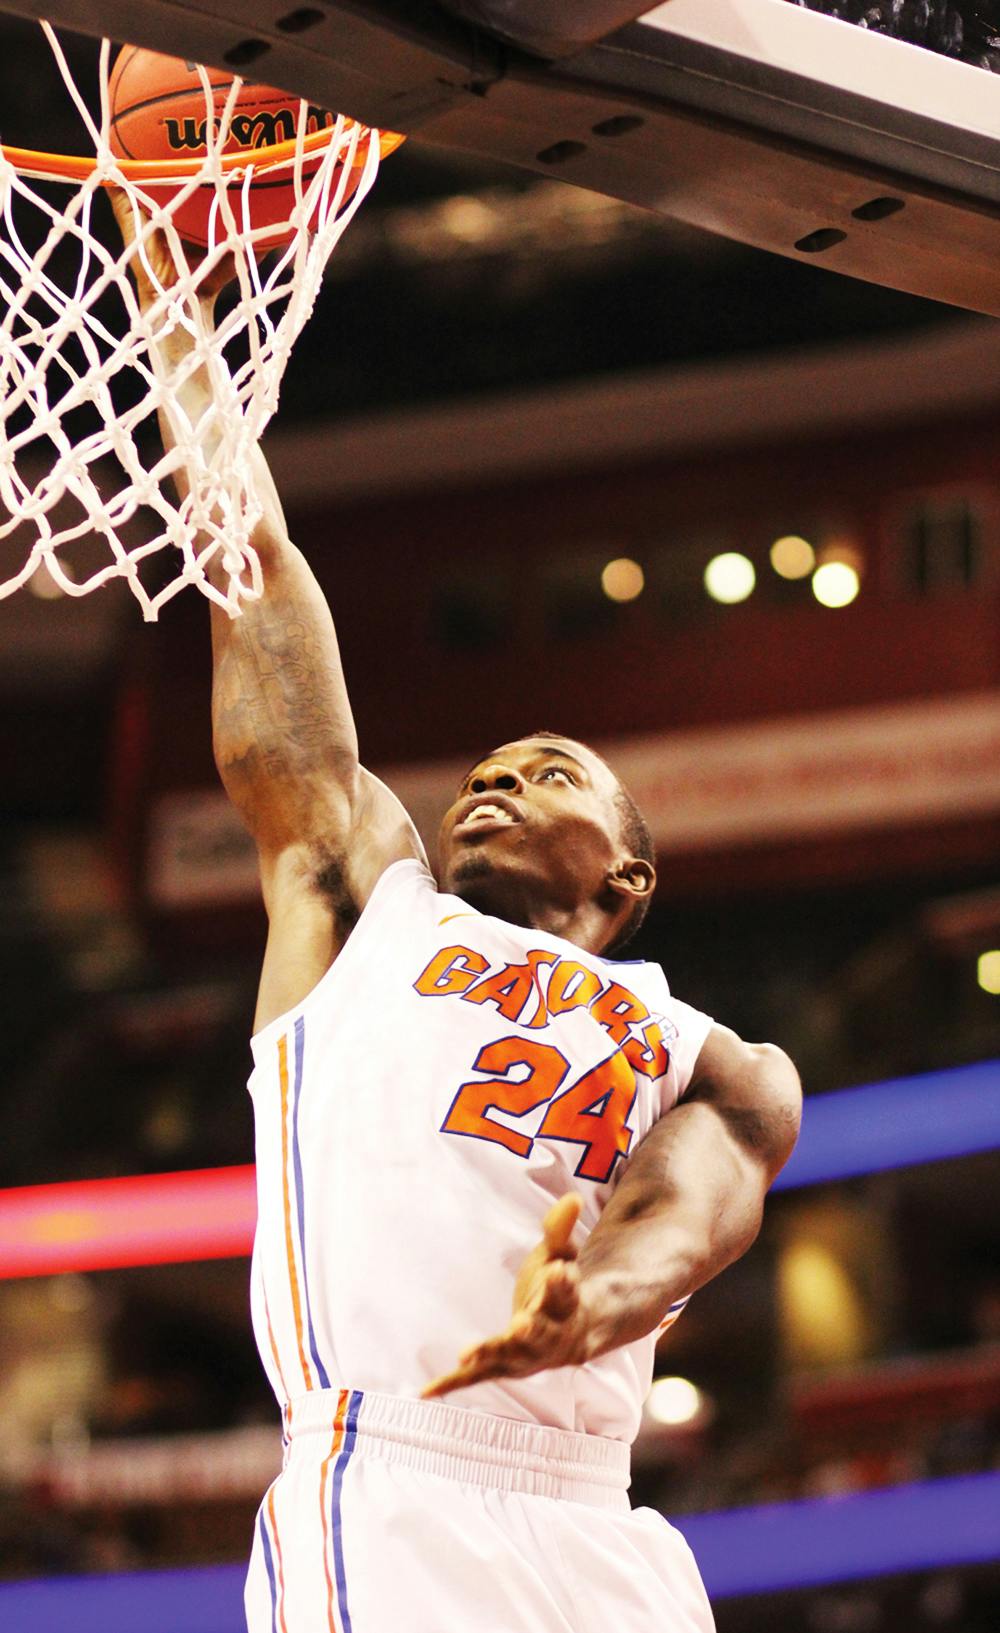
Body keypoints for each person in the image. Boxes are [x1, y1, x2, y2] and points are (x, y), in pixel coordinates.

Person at [113, 195, 802, 1633]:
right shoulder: (366, 897)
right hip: (395, 1474)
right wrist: (174, 314)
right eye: (482, 771)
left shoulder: (715, 1054)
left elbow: (693, 1208)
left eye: (549, 774)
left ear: (628, 874)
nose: (493, 784)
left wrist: (596, 1305)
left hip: (599, 1516)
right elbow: (255, 568)